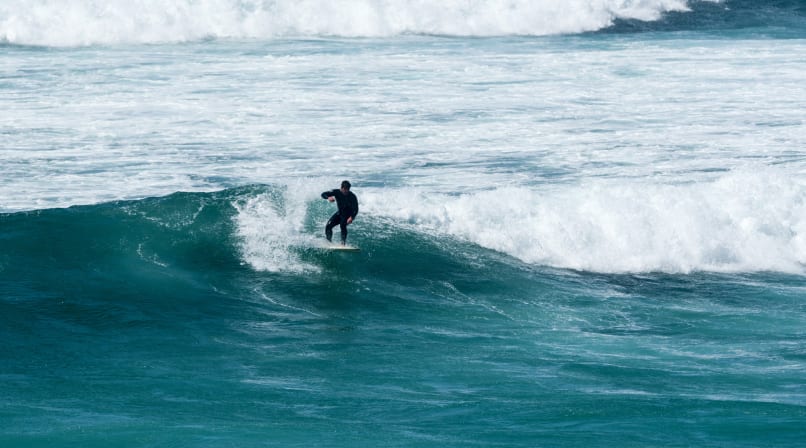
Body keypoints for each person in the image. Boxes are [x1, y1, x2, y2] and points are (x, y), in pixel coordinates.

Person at [321, 180, 359, 245]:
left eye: (348, 190)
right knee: (328, 226)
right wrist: (328, 197)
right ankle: (329, 242)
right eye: (345, 190)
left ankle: (343, 243)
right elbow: (323, 194)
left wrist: (352, 217)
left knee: (342, 225)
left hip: (348, 215)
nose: (346, 192)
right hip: (340, 213)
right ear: (342, 188)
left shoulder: (352, 196)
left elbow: (356, 209)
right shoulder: (336, 192)